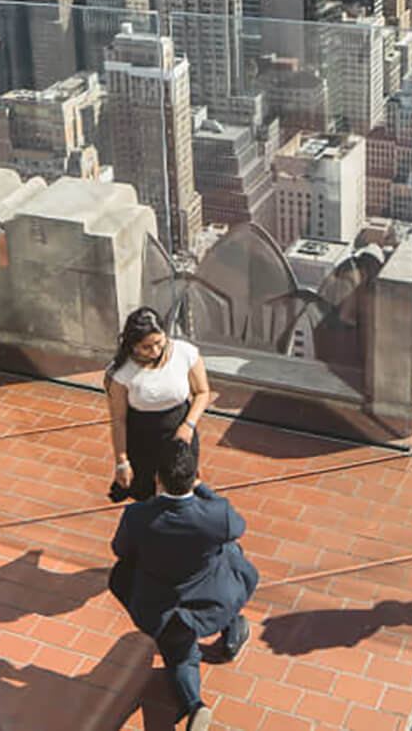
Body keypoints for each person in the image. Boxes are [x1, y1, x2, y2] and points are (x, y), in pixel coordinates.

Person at [109, 440, 256, 731]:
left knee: (180, 657)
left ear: (157, 478)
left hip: (161, 605)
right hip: (212, 597)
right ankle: (230, 632)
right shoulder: (217, 515)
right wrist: (202, 488)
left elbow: (120, 550)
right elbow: (237, 527)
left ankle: (195, 705)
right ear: (194, 474)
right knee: (231, 554)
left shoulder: (138, 516)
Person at [105, 307, 212, 502]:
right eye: (146, 347)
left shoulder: (185, 353)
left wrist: (188, 425)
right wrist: (121, 461)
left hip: (180, 431)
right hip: (143, 438)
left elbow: (202, 392)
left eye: (158, 343)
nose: (154, 351)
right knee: (147, 493)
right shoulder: (121, 372)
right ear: (132, 345)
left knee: (182, 489)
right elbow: (119, 420)